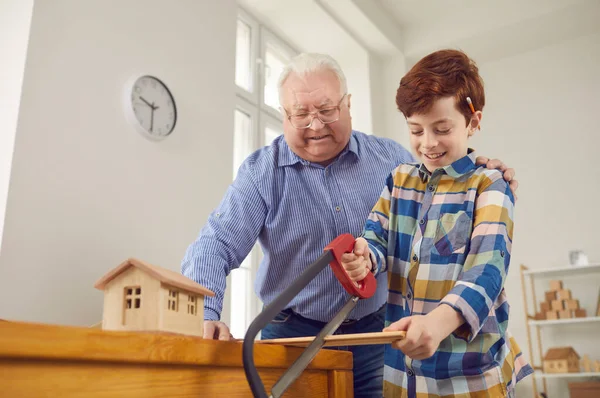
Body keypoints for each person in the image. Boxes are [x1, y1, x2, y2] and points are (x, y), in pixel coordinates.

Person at [181, 52, 519, 397]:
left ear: (348, 104)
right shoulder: (260, 173)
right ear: (284, 115)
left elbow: (439, 179)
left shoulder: (393, 161)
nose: (315, 125)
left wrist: (475, 169)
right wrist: (202, 315)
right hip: (293, 334)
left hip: (378, 334)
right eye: (300, 115)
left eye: (327, 111)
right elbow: (215, 244)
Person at [340, 49, 533, 397]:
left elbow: (487, 271)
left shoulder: (489, 185)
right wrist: (364, 257)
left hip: (470, 376)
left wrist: (437, 323)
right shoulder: (399, 180)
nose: (427, 143)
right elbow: (376, 238)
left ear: (473, 123)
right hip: (402, 377)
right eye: (416, 130)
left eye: (442, 129)